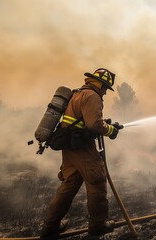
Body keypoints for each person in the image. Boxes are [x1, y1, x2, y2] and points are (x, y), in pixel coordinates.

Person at [40, 68, 120, 239]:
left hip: (69, 147)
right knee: (97, 180)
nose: (105, 92)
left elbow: (83, 120)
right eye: (105, 87)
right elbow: (93, 125)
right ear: (99, 83)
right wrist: (111, 130)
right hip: (82, 147)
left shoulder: (77, 94)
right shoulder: (93, 96)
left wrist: (102, 123)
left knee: (69, 185)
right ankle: (98, 225)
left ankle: (50, 227)